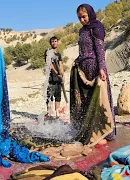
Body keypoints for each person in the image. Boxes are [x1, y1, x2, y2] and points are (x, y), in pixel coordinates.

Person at [70, 4, 116, 146]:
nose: (82, 20)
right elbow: (82, 50)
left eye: (84, 17)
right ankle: (90, 130)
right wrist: (77, 61)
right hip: (84, 70)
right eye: (79, 18)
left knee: (100, 99)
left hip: (95, 67)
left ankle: (105, 132)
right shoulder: (82, 31)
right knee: (87, 101)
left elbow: (100, 49)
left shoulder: (96, 27)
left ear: (90, 14)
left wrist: (101, 68)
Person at [44, 36, 64, 119]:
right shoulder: (48, 52)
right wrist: (56, 72)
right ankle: (48, 113)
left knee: (58, 96)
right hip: (51, 78)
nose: (54, 43)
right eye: (52, 41)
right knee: (49, 96)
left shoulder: (58, 54)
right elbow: (49, 63)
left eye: (55, 41)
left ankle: (57, 114)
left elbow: (61, 64)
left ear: (57, 42)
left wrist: (62, 75)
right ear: (50, 43)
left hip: (59, 79)